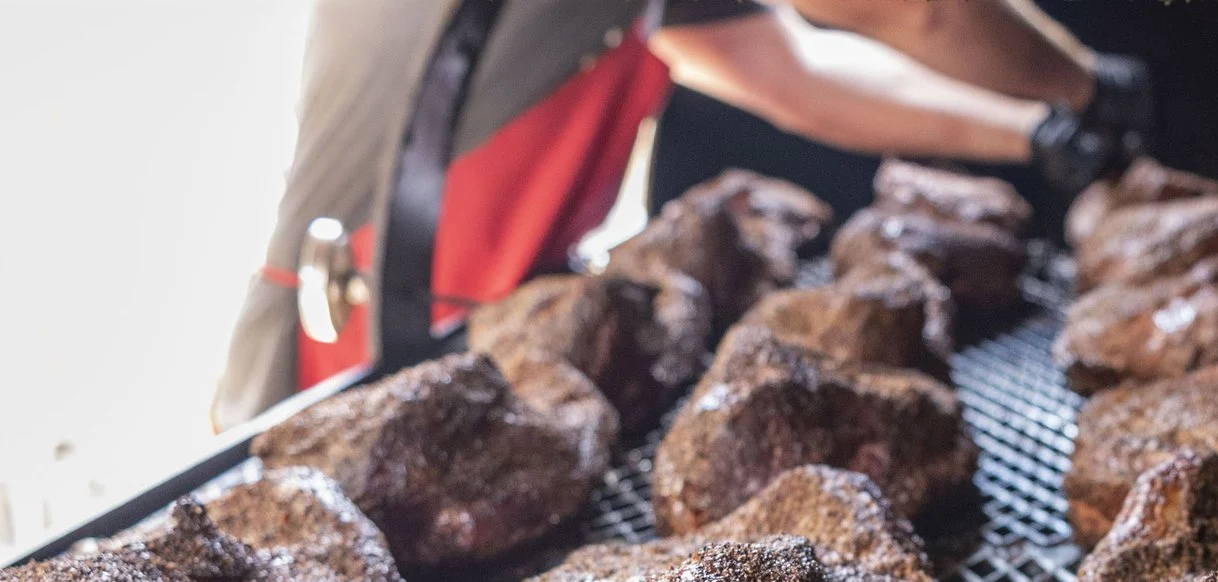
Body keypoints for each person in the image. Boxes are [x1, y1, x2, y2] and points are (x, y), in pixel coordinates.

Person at [214, 0, 1145, 428]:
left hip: (506, 328)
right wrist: (1087, 84)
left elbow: (792, 72)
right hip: (372, 339)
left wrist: (1038, 132)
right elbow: (916, 12)